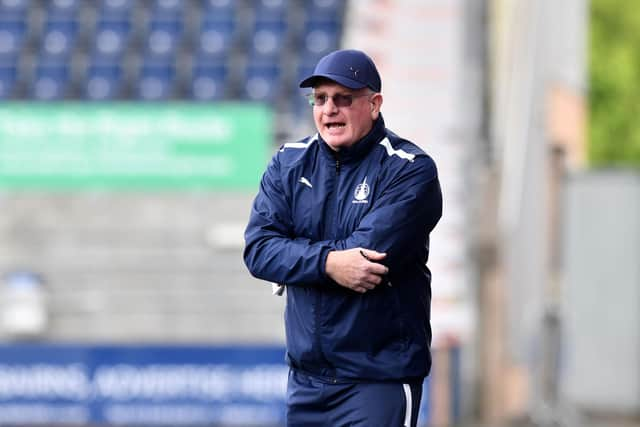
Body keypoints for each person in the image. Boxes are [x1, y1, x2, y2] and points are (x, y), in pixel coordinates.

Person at [243, 49, 442, 427]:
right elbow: (259, 250)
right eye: (320, 99)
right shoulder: (288, 162)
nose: (329, 109)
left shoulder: (411, 170)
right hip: (306, 383)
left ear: (374, 103)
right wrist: (328, 263)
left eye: (343, 98)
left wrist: (296, 257)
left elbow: (368, 257)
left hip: (377, 380)